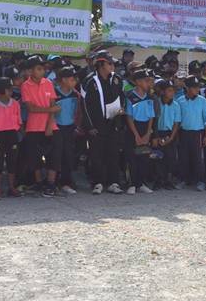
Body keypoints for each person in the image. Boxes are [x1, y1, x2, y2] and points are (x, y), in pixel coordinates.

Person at [82, 52, 124, 195]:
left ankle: (113, 182)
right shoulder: (89, 81)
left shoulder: (117, 79)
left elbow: (122, 97)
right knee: (96, 155)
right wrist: (90, 126)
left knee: (113, 154)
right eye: (109, 63)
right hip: (96, 124)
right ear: (100, 64)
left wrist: (121, 109)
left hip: (113, 122)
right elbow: (84, 105)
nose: (113, 66)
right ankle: (97, 183)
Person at [20, 54, 61, 197]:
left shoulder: (48, 83)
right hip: (33, 127)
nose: (42, 71)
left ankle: (50, 184)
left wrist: (49, 124)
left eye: (43, 68)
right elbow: (31, 108)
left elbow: (53, 104)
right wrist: (51, 110)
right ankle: (38, 183)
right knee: (34, 157)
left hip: (51, 126)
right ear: (30, 70)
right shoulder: (25, 86)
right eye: (38, 68)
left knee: (53, 156)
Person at [124, 68, 156, 195]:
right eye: (145, 80)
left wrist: (148, 133)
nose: (148, 83)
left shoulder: (150, 97)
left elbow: (151, 116)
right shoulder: (130, 96)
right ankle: (132, 184)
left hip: (145, 127)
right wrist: (136, 135)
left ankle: (141, 183)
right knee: (132, 157)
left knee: (144, 157)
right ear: (137, 82)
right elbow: (129, 117)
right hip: (133, 128)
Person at [178, 75, 206, 191]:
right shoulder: (180, 101)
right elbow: (178, 120)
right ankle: (183, 180)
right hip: (184, 132)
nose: (197, 89)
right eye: (194, 87)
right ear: (187, 87)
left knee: (198, 158)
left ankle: (201, 181)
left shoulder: (202, 100)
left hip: (198, 133)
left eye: (198, 87)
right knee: (183, 157)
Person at [53, 66, 80, 195]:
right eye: (72, 79)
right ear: (63, 80)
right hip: (57, 127)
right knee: (56, 155)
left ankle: (66, 182)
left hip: (70, 127)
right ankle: (54, 182)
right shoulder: (54, 93)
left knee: (68, 155)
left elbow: (78, 112)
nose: (75, 82)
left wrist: (76, 125)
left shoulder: (76, 94)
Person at [152, 78, 181, 189]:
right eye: (169, 90)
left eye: (173, 90)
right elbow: (154, 120)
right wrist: (156, 136)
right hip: (158, 132)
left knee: (170, 157)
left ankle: (168, 179)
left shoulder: (176, 105)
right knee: (157, 157)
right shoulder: (156, 103)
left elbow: (176, 123)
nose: (172, 93)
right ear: (163, 91)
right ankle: (158, 179)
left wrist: (171, 138)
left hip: (170, 133)